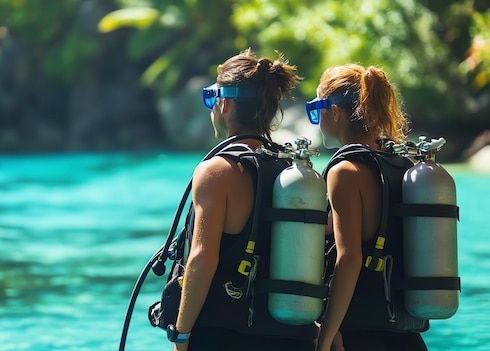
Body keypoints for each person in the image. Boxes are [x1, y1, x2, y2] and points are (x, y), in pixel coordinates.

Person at [171, 48, 317, 351]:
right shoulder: (295, 173)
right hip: (294, 336)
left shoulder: (217, 171)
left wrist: (182, 335)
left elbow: (203, 257)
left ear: (224, 105)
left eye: (212, 100)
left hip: (225, 336)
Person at [308, 64, 429, 351]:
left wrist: (326, 335)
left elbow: (349, 260)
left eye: (315, 110)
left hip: (361, 332)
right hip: (407, 334)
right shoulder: (404, 165)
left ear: (334, 113)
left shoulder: (346, 172)